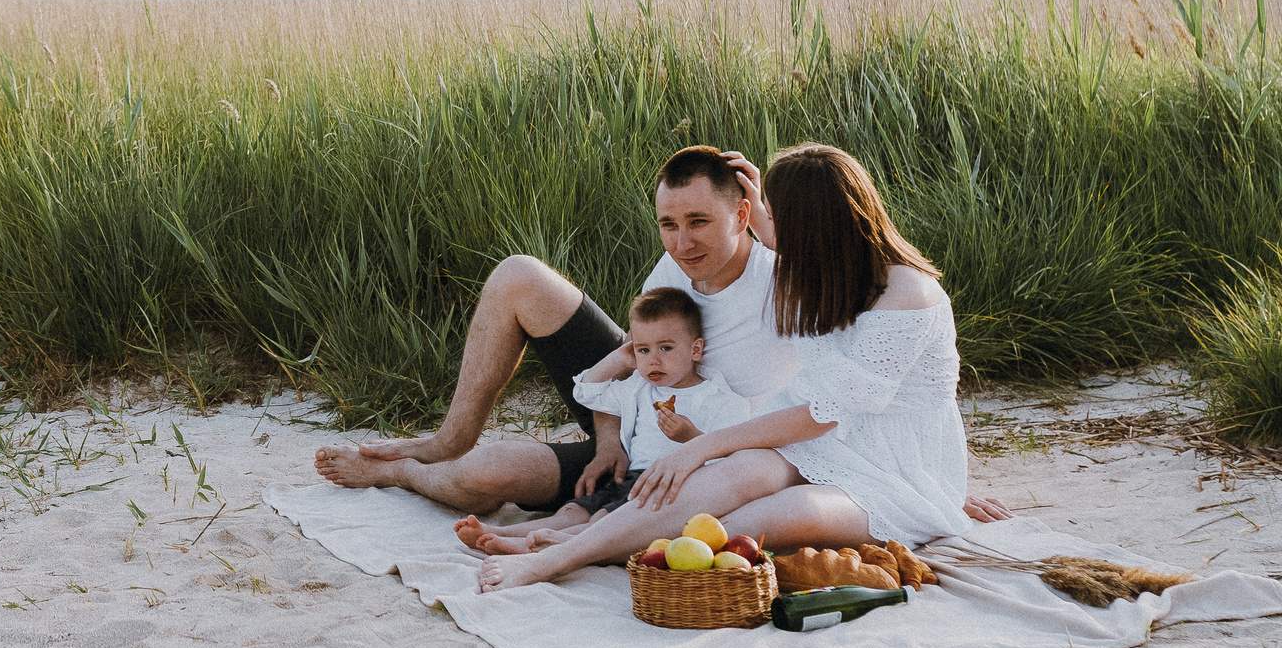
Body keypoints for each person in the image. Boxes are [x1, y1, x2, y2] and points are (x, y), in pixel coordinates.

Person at [474, 142, 983, 592]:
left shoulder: (908, 295)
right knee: (726, 479)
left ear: (820, 227)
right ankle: (565, 552)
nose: (770, 235)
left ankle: (581, 545)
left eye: (778, 220)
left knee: (764, 519)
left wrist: (703, 445)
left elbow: (824, 413)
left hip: (896, 474)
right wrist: (754, 212)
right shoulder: (822, 273)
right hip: (823, 448)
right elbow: (774, 242)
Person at [313, 144, 796, 516]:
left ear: (741, 215)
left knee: (483, 477)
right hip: (632, 424)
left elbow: (845, 285)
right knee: (518, 275)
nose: (682, 243)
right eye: (668, 224)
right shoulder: (671, 269)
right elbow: (631, 363)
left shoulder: (789, 278)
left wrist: (771, 227)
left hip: (704, 454)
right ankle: (447, 442)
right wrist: (609, 443)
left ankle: (401, 474)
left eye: (698, 221)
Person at [456, 285, 754, 556]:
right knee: (573, 510)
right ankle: (504, 532)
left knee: (603, 518)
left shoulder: (717, 398)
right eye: (643, 349)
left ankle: (549, 545)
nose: (653, 359)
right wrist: (620, 359)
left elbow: (733, 458)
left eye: (666, 348)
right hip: (631, 477)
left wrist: (690, 436)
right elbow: (586, 392)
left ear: (695, 349)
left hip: (672, 486)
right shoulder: (640, 387)